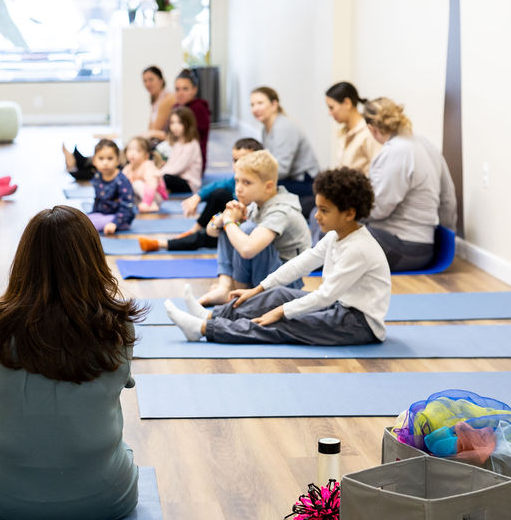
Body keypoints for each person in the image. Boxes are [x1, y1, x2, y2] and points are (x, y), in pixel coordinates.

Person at [0, 205, 143, 520]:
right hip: (106, 498)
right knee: (123, 450)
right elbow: (121, 382)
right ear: (92, 260)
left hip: (1, 499)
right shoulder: (118, 328)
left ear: (24, 262)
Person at [164, 167, 390, 346]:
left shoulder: (358, 249)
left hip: (358, 324)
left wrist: (281, 312)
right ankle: (212, 317)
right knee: (278, 293)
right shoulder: (335, 236)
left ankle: (203, 329)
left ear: (349, 214)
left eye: (324, 210)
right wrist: (259, 288)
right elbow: (302, 263)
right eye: (318, 208)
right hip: (339, 307)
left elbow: (326, 296)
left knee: (283, 323)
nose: (317, 216)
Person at [194, 150, 311, 306]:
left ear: (268, 186)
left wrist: (230, 222)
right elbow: (211, 230)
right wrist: (223, 217)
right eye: (237, 181)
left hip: (286, 284)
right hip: (268, 276)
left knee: (245, 229)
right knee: (232, 227)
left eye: (247, 183)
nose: (239, 188)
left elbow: (247, 250)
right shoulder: (256, 204)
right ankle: (226, 287)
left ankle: (241, 291)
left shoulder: (281, 210)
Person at [362, 98, 457, 272]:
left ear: (371, 128)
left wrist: (348, 215)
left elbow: (378, 209)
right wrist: (445, 239)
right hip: (425, 248)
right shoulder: (427, 145)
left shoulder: (395, 151)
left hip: (403, 249)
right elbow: (448, 199)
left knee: (334, 228)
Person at [138, 138, 262, 253]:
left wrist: (228, 219)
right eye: (235, 161)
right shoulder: (234, 184)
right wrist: (220, 216)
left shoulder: (259, 194)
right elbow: (219, 186)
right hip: (231, 223)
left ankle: (163, 243)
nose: (238, 165)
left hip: (243, 233)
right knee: (217, 201)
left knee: (204, 237)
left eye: (243, 160)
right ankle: (193, 231)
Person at [63, 66, 176, 180]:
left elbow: (154, 130)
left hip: (160, 146)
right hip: (155, 142)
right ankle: (82, 161)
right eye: (145, 80)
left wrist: (144, 139)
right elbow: (151, 130)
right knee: (120, 153)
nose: (147, 84)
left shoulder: (167, 99)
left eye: (151, 79)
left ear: (161, 80)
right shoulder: (156, 99)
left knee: (121, 159)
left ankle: (81, 165)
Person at [250, 86, 320, 213]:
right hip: (289, 179)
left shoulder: (284, 127)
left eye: (260, 103)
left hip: (305, 183)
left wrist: (256, 177)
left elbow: (282, 168)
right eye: (252, 104)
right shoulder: (266, 128)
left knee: (257, 187)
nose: (255, 108)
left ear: (274, 105)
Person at [325, 82, 381, 174]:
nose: (329, 113)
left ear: (347, 103)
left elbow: (380, 170)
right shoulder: (342, 133)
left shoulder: (369, 132)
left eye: (331, 108)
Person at [87, 139, 135, 235]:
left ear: (118, 160)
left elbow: (127, 206)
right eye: (101, 158)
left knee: (87, 225)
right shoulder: (97, 176)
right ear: (94, 161)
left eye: (110, 158)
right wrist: (93, 214)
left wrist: (115, 223)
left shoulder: (122, 181)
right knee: (82, 219)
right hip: (102, 214)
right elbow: (97, 199)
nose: (105, 162)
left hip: (119, 218)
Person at [159, 106, 204, 194]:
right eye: (172, 123)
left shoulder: (192, 144)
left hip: (189, 183)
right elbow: (171, 163)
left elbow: (179, 167)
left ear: (187, 124)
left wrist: (158, 174)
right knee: (162, 177)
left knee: (166, 178)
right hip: (177, 177)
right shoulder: (178, 142)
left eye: (179, 123)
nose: (175, 127)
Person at [121, 136, 167, 213]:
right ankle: (144, 204)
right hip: (141, 197)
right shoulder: (128, 168)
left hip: (155, 196)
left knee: (136, 184)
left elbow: (152, 185)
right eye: (130, 149)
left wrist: (147, 202)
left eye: (138, 151)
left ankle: (151, 204)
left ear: (146, 155)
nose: (132, 153)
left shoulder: (148, 165)